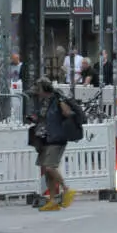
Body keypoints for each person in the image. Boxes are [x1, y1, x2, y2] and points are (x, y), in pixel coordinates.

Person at [28, 77, 77, 212]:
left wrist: (63, 115)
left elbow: (67, 113)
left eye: (38, 90)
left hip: (56, 138)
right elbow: (42, 117)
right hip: (45, 138)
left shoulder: (57, 100)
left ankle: (67, 190)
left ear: (44, 89)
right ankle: (53, 200)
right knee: (47, 171)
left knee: (50, 167)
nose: (37, 93)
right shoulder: (44, 102)